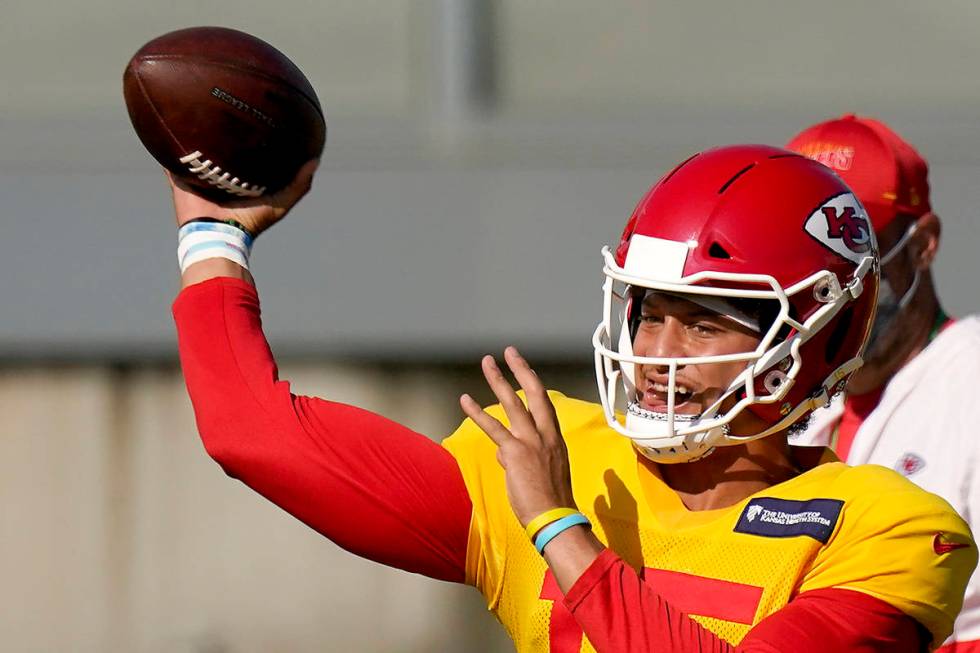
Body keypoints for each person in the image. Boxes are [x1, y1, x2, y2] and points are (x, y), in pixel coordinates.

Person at [168, 144, 975, 652]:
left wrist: (560, 528)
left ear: (821, 336)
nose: (656, 355)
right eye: (649, 314)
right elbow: (254, 432)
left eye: (701, 325)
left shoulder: (895, 528)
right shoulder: (551, 452)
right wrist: (213, 237)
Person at [786, 113, 980, 651]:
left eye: (854, 243)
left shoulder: (971, 384)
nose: (834, 277)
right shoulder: (779, 396)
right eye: (808, 249)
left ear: (922, 244)